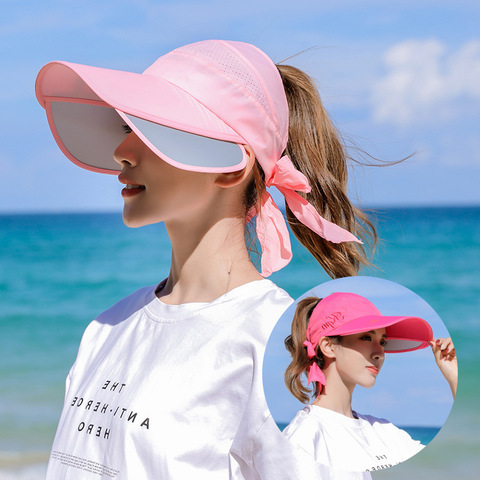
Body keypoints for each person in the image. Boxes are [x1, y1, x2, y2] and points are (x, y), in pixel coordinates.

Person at [36, 40, 377, 479]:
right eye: (127, 127)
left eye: (153, 131)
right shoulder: (106, 329)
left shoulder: (274, 345)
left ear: (231, 165)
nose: (123, 150)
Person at [283, 292, 458, 475]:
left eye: (382, 342)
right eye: (366, 337)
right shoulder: (305, 436)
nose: (380, 353)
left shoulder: (385, 432)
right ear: (328, 346)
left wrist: (454, 377)